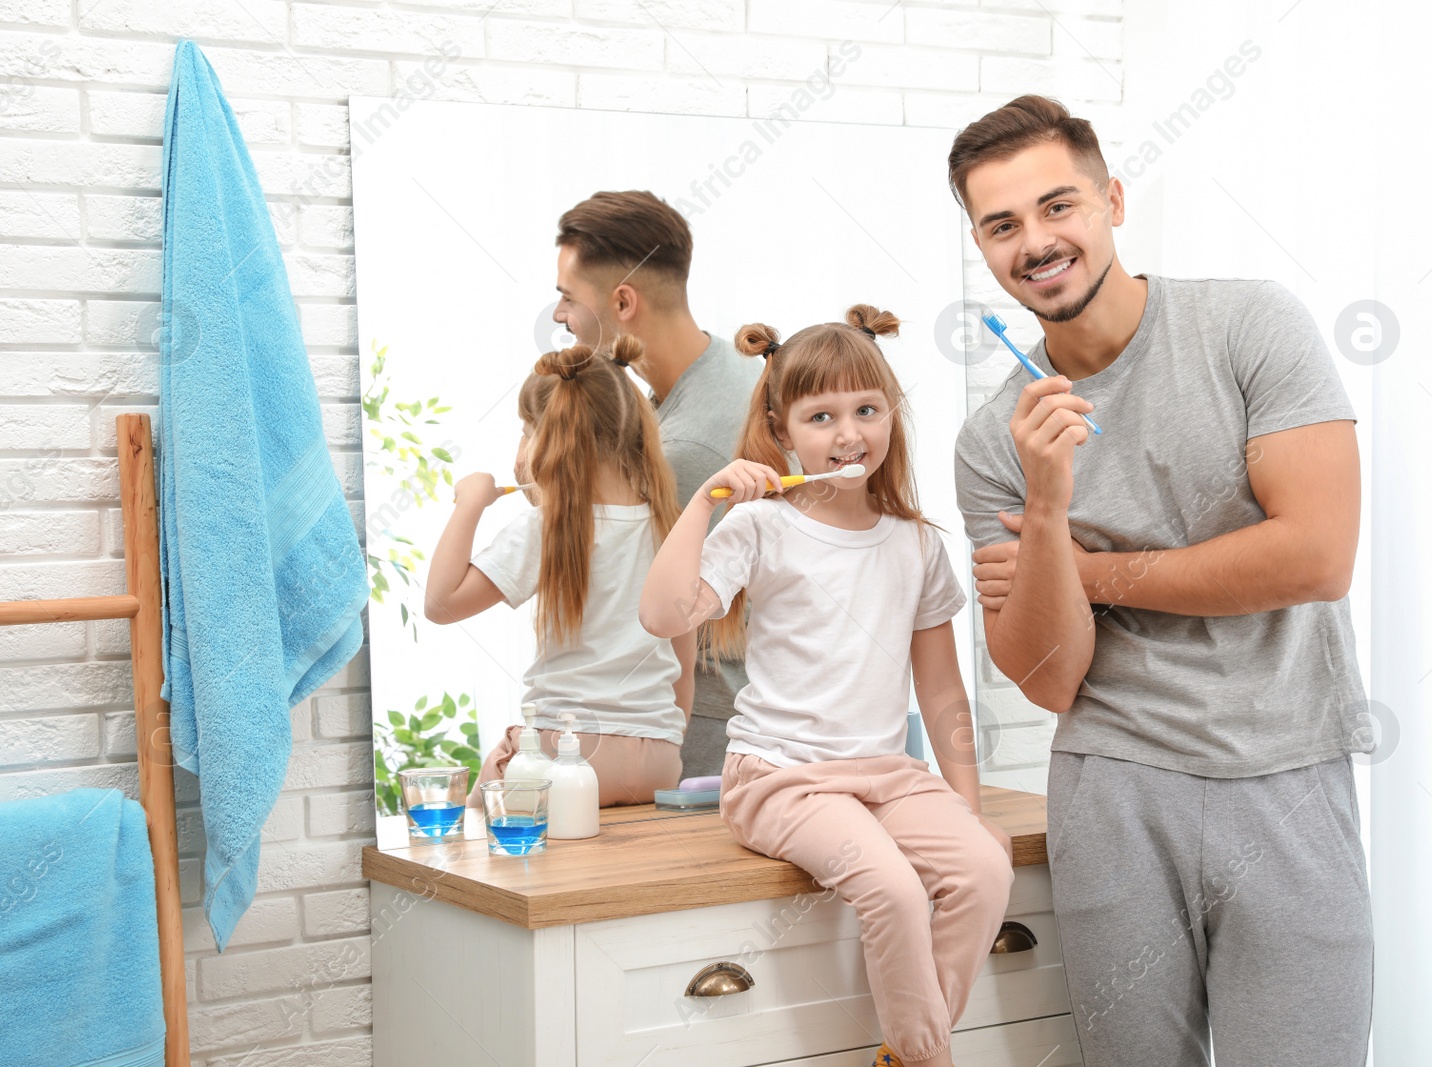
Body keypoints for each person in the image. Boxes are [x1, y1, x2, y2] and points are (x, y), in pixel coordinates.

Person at [949, 94, 1373, 1065]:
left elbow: (1314, 556)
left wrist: (1084, 569)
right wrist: (1048, 505)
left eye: (1058, 206)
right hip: (1112, 788)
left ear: (1112, 199)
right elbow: (1049, 677)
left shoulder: (1247, 325)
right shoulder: (993, 443)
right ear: (979, 244)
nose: (1035, 241)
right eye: (1001, 224)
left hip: (1287, 768)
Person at [639, 304, 1014, 1067]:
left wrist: (967, 813)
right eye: (822, 416)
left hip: (882, 775)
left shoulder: (915, 543)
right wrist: (707, 499)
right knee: (897, 891)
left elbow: (942, 694)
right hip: (780, 778)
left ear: (891, 416)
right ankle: (928, 1059)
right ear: (781, 432)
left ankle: (906, 1053)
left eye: (867, 409)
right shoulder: (760, 527)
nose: (850, 434)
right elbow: (661, 613)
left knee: (984, 870)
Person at [423, 335, 693, 807]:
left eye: (527, 430)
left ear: (554, 438)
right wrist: (662, 740)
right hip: (660, 761)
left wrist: (469, 505)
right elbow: (684, 668)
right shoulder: (674, 530)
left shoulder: (550, 527)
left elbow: (441, 605)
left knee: (474, 833)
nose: (522, 445)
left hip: (567, 759)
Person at [552, 190, 760, 781]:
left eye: (568, 298)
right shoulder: (735, 374)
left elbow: (651, 614)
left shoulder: (685, 450)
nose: (562, 318)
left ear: (622, 301)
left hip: (707, 734)